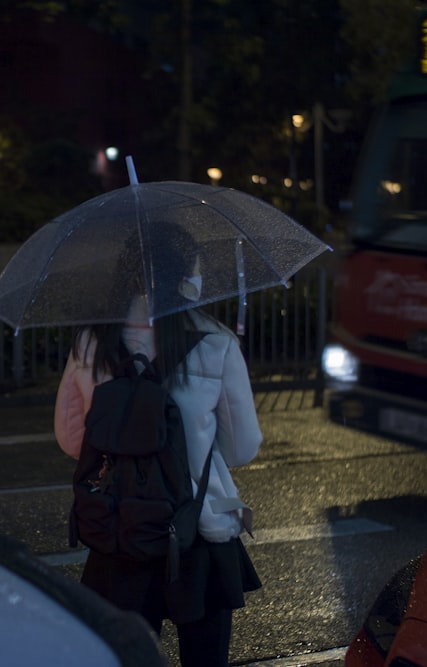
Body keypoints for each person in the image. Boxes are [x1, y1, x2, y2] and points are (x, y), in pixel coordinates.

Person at [54, 239, 263, 667]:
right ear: (186, 276)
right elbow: (242, 447)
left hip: (119, 528)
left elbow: (73, 439)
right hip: (197, 529)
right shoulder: (215, 341)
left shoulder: (91, 343)